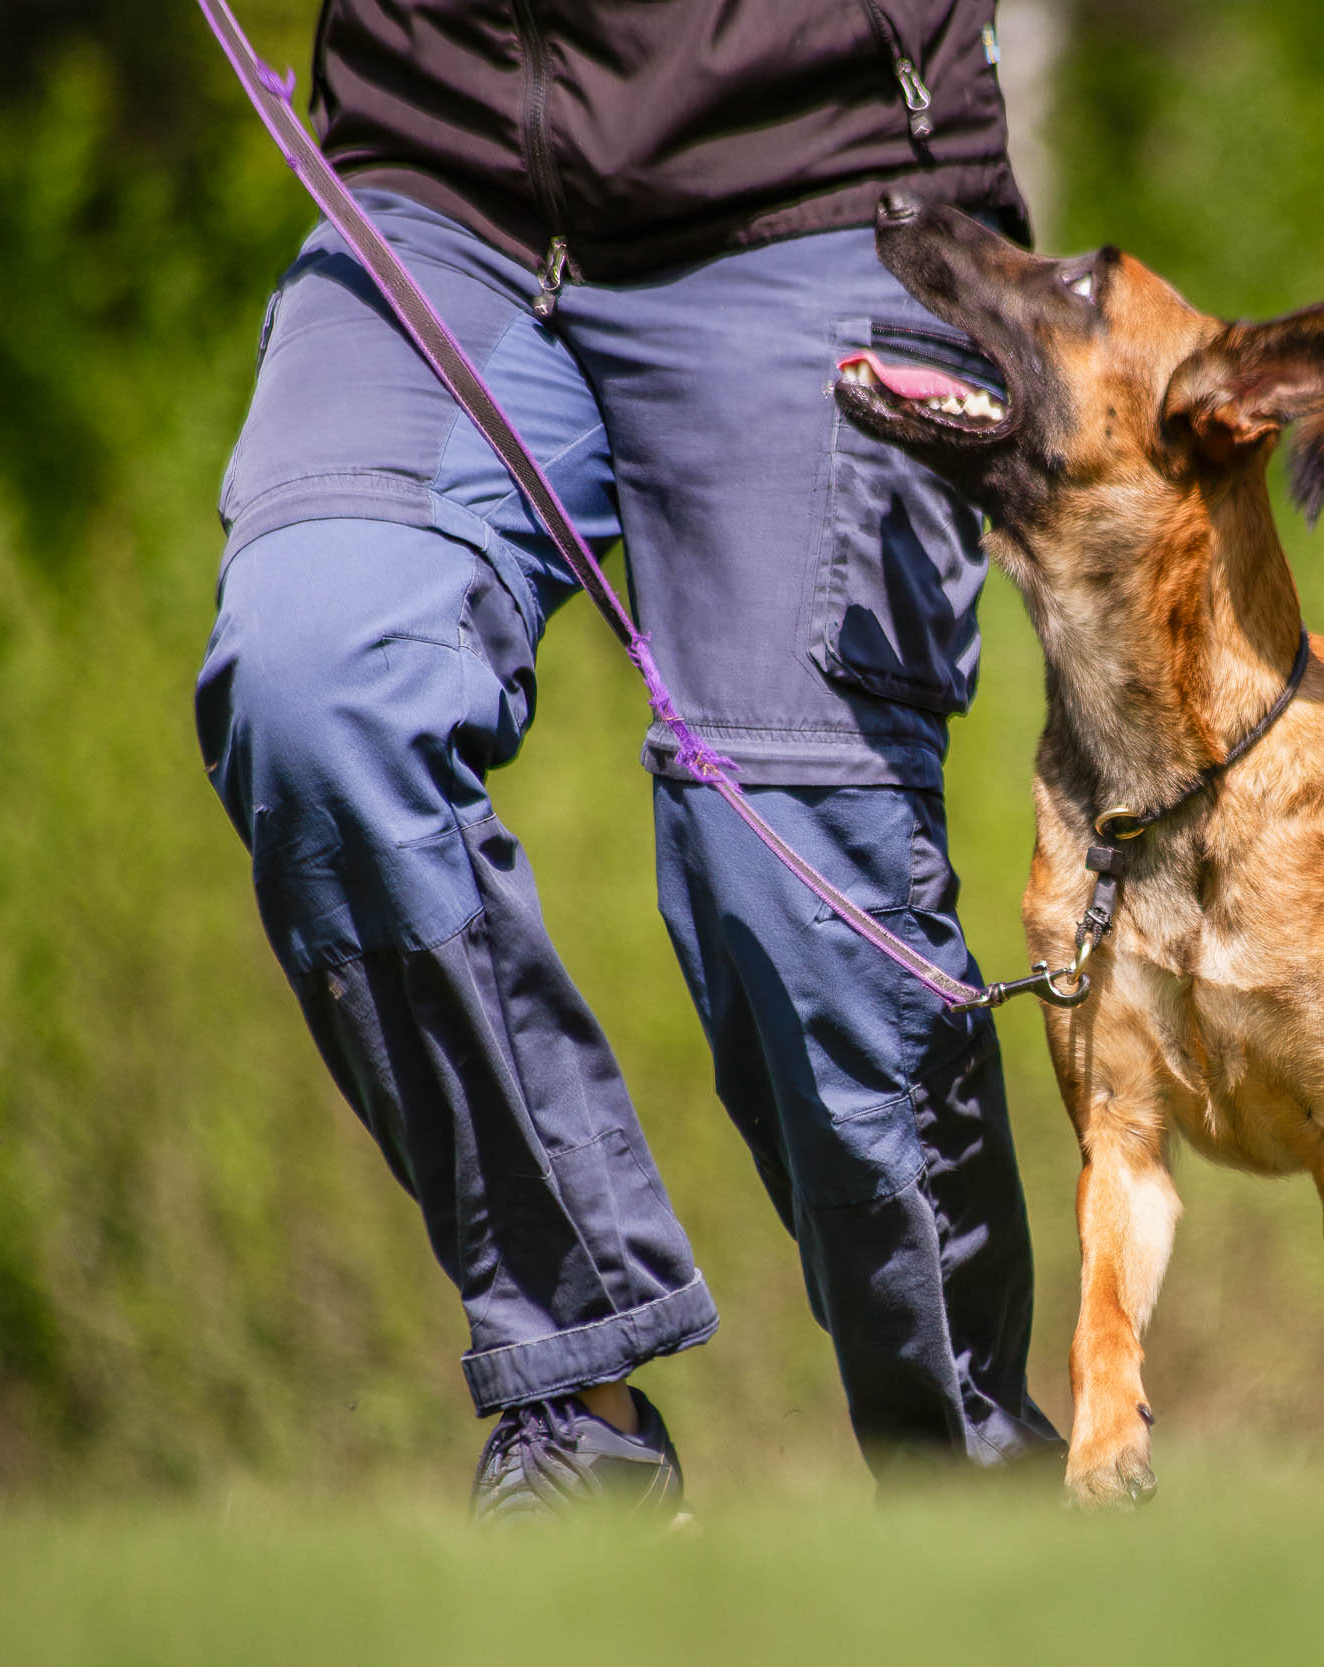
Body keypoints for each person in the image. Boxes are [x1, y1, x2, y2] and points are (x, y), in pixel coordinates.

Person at [194, 0, 1059, 1520]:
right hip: (435, 180)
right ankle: (573, 1397)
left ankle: (979, 1499)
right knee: (315, 676)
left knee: (800, 875)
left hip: (818, 173)